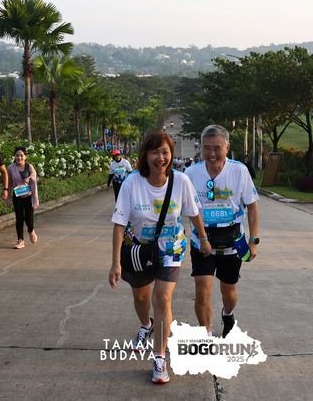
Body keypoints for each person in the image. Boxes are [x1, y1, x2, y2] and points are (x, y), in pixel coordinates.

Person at [108, 130, 208, 384]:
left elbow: (193, 213)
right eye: (155, 152)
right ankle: (146, 324)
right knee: (141, 298)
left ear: (171, 155)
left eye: (165, 152)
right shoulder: (131, 183)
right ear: (145, 155)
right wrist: (115, 262)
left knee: (162, 299)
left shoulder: (181, 181)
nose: (161, 158)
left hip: (171, 248)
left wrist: (204, 238)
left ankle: (160, 357)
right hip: (139, 248)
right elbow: (119, 223)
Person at [185, 124, 260, 337]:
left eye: (217, 148)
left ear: (227, 147)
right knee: (202, 292)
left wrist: (253, 241)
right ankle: (206, 335)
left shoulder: (239, 171)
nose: (211, 154)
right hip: (202, 240)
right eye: (207, 148)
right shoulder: (191, 173)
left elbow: (252, 206)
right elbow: (187, 208)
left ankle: (228, 314)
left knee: (229, 293)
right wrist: (202, 238)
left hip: (233, 241)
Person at [6, 146, 39, 249]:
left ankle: (31, 230)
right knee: (19, 218)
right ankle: (20, 240)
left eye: (21, 155)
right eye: (17, 155)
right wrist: (8, 197)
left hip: (29, 196)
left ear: (25, 156)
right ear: (14, 156)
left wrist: (28, 179)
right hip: (17, 196)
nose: (19, 157)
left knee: (29, 219)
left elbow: (34, 177)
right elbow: (9, 183)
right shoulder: (10, 168)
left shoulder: (29, 166)